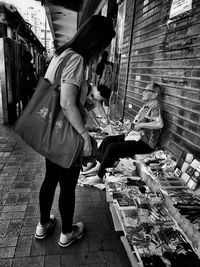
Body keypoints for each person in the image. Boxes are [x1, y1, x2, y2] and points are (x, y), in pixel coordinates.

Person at [34, 15, 115, 247]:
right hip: (66, 134)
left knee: (50, 179)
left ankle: (43, 224)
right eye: (102, 46)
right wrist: (84, 134)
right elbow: (67, 103)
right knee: (67, 185)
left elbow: (63, 94)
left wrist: (88, 101)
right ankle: (67, 233)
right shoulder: (77, 59)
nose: (101, 52)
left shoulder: (61, 54)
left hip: (52, 130)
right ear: (95, 41)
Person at [82, 82, 164, 184]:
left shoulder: (155, 105)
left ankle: (100, 176)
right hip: (134, 136)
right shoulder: (146, 106)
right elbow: (137, 123)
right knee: (107, 140)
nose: (143, 92)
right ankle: (98, 165)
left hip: (145, 143)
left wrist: (141, 125)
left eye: (146, 90)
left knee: (112, 147)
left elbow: (159, 124)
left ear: (154, 95)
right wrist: (129, 126)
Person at [96, 50, 113, 115]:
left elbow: (97, 73)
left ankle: (101, 114)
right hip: (108, 85)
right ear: (107, 56)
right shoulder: (110, 64)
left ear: (101, 56)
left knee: (100, 99)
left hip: (102, 84)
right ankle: (106, 115)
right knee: (107, 100)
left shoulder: (100, 64)